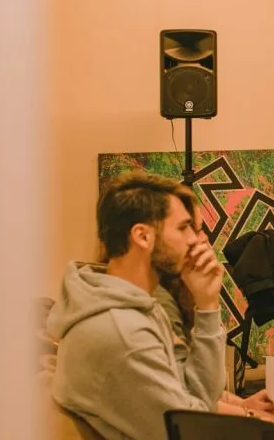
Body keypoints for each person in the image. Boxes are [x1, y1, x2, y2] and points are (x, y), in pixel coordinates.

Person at [47, 172, 227, 440]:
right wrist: (209, 307)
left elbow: (195, 400)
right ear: (143, 236)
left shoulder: (135, 307)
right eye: (182, 227)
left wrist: (206, 302)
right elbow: (191, 429)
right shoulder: (123, 334)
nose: (194, 240)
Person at [155, 206, 274, 439]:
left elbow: (199, 387)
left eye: (200, 228)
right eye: (188, 228)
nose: (202, 237)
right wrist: (247, 414)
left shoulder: (180, 293)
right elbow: (187, 402)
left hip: (198, 412)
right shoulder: (160, 305)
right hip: (189, 424)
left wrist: (243, 402)